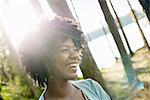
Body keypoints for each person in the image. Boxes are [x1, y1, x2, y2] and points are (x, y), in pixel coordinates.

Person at [19, 16, 111, 100]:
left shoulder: (92, 87)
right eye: (65, 50)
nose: (75, 55)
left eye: (75, 49)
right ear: (44, 59)